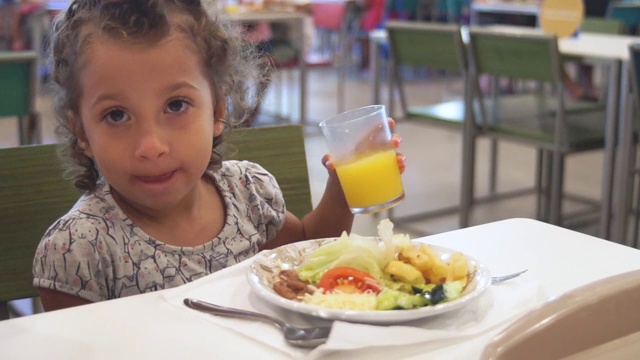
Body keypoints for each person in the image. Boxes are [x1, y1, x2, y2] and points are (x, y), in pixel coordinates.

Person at [32, 0, 405, 312]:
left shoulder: (246, 194)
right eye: (116, 115)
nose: (151, 145)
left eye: (175, 105)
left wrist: (343, 187)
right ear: (81, 132)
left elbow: (309, 249)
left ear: (217, 112)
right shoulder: (79, 249)